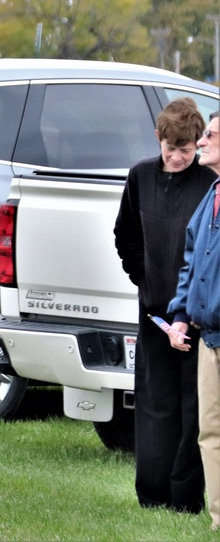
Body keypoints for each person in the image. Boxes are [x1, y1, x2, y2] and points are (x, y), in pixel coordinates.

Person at [114, 97, 212, 514]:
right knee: (155, 406)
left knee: (195, 410)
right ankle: (153, 495)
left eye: (186, 150)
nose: (176, 157)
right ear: (158, 138)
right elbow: (125, 236)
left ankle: (186, 500)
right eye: (170, 148)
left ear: (198, 145)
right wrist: (146, 281)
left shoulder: (209, 182)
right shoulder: (140, 177)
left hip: (198, 319)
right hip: (154, 314)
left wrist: (189, 310)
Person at [168, 111, 220, 532]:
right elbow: (192, 260)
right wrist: (182, 316)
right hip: (208, 339)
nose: (201, 142)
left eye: (211, 136)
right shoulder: (213, 194)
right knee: (210, 434)